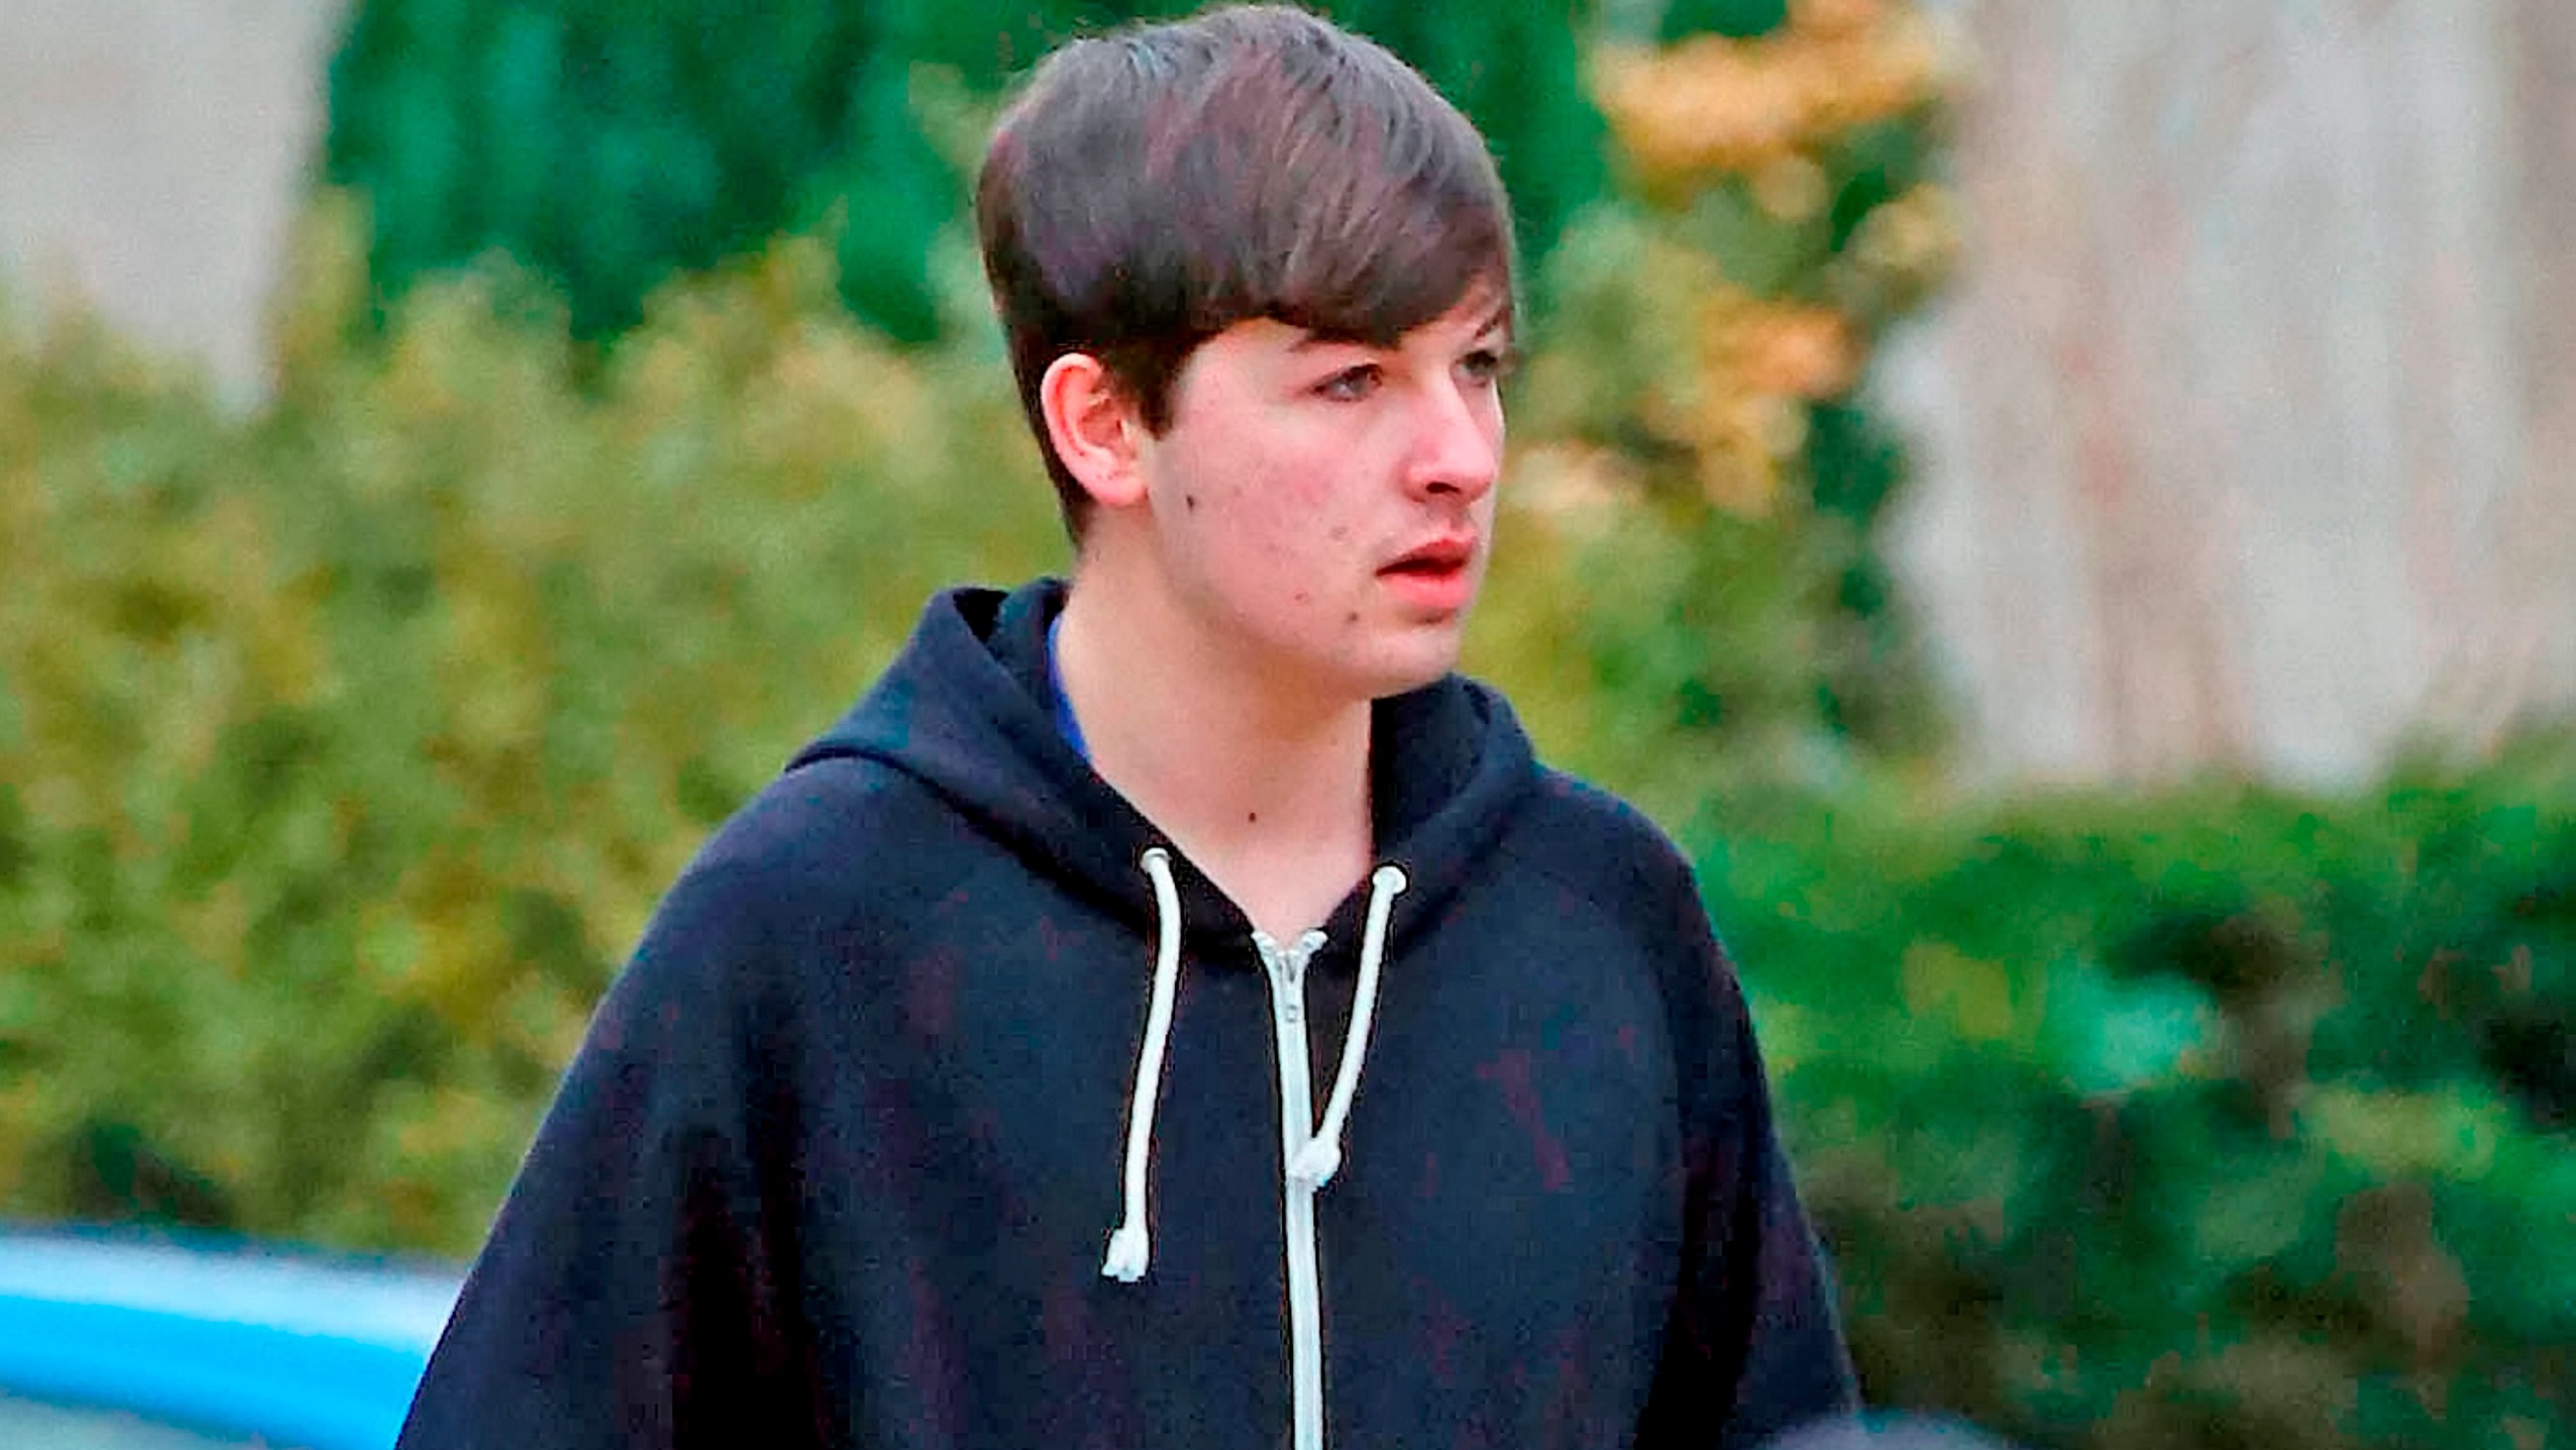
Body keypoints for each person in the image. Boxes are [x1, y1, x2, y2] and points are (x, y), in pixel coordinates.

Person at [394, 7, 1858, 1449]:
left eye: (1477, 367)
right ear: (1104, 426)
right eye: (1352, 380)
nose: (1462, 458)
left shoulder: (1606, 924)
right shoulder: (811, 930)